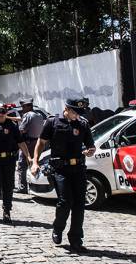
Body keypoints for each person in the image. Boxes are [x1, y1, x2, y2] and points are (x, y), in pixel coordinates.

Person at [32, 97, 95, 252]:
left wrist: (90, 151)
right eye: (75, 112)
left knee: (80, 204)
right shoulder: (52, 122)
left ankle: (76, 239)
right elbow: (41, 143)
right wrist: (35, 162)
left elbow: (90, 145)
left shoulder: (83, 124)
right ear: (67, 109)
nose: (78, 115)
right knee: (65, 201)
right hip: (60, 169)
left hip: (79, 168)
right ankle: (58, 228)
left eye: (80, 112)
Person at [16, 98, 45, 193]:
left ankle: (23, 187)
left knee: (22, 165)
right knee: (35, 163)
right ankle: (36, 185)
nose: (23, 108)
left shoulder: (28, 115)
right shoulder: (39, 115)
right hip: (37, 143)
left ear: (28, 106)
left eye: (24, 106)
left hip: (27, 143)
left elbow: (22, 129)